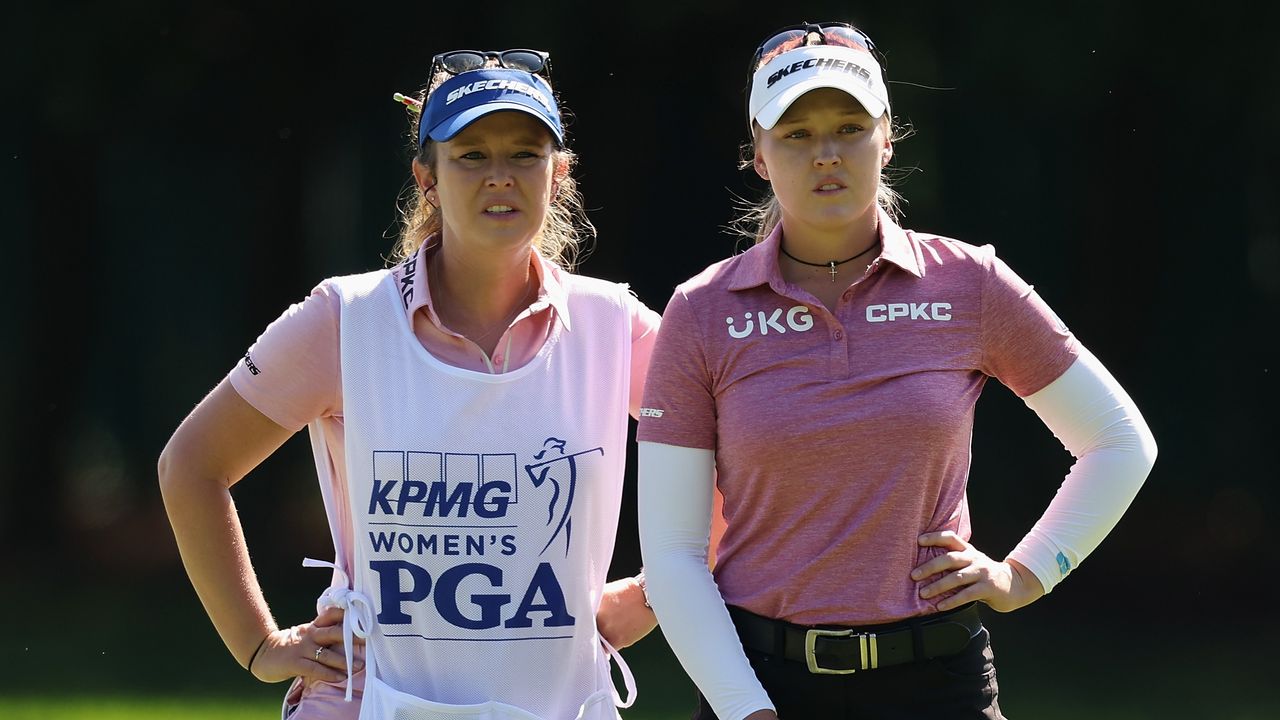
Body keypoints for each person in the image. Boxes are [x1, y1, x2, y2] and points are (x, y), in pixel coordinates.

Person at [635, 21, 1158, 720]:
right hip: (758, 683)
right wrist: (744, 708)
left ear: (886, 137)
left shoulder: (969, 284)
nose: (826, 154)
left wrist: (1025, 575)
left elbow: (1120, 442)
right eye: (795, 134)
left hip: (936, 681)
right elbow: (672, 554)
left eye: (849, 127)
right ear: (758, 153)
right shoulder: (702, 311)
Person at [158, 48, 659, 720]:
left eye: (524, 154)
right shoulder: (345, 317)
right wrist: (258, 646)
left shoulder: (611, 323)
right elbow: (192, 465)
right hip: (365, 701)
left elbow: (742, 449)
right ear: (427, 176)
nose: (500, 177)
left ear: (559, 174)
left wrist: (655, 597)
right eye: (471, 155)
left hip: (562, 703)